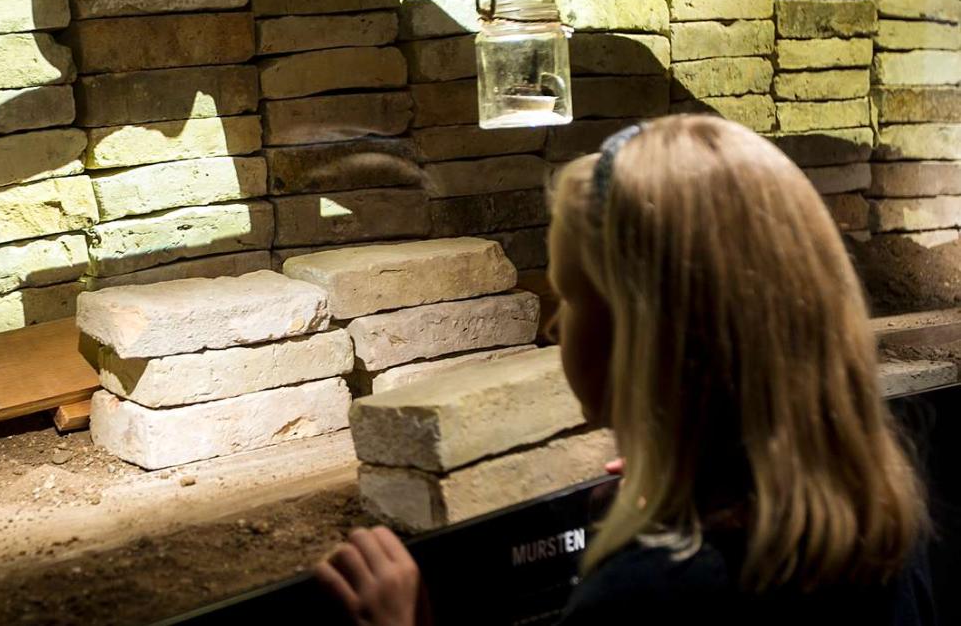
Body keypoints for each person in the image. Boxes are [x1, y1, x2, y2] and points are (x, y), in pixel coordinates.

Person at [314, 115, 934, 625]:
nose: (555, 328)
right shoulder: (878, 522)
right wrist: (674, 474)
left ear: (645, 331)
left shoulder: (650, 595)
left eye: (572, 297)